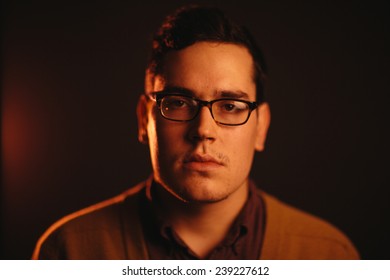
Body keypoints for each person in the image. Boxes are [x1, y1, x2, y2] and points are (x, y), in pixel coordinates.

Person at [32, 5, 359, 260]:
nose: (203, 131)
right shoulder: (70, 251)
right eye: (178, 102)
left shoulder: (328, 254)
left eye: (230, 106)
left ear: (261, 127)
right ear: (145, 119)